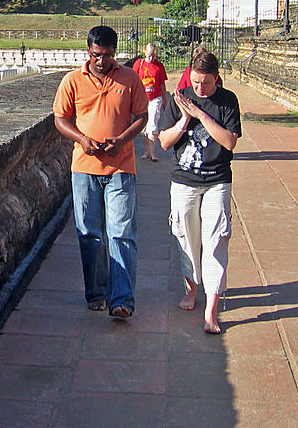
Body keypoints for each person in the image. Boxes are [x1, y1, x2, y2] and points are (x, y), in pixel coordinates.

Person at [53, 26, 148, 319]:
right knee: (89, 234)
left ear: (115, 53)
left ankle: (122, 299)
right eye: (96, 55)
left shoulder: (130, 79)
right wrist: (82, 139)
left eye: (107, 56)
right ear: (88, 51)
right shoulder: (72, 81)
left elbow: (141, 116)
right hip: (84, 168)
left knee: (121, 232)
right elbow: (60, 118)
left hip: (121, 166)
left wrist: (122, 140)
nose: (101, 61)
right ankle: (96, 292)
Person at [158, 49, 241, 334]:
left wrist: (201, 115)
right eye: (195, 82)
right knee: (186, 239)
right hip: (184, 180)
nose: (199, 88)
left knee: (216, 239)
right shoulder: (180, 97)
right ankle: (192, 289)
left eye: (205, 83)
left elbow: (229, 142)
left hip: (217, 179)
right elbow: (165, 143)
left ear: (217, 79)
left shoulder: (227, 101)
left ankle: (211, 309)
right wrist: (183, 119)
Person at [132, 42, 167, 162]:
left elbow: (162, 85)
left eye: (154, 56)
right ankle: (147, 151)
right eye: (149, 56)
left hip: (155, 98)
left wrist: (165, 101)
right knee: (144, 126)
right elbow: (134, 81)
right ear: (145, 53)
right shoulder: (139, 64)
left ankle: (153, 152)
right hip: (142, 98)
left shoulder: (159, 66)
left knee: (152, 125)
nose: (151, 58)